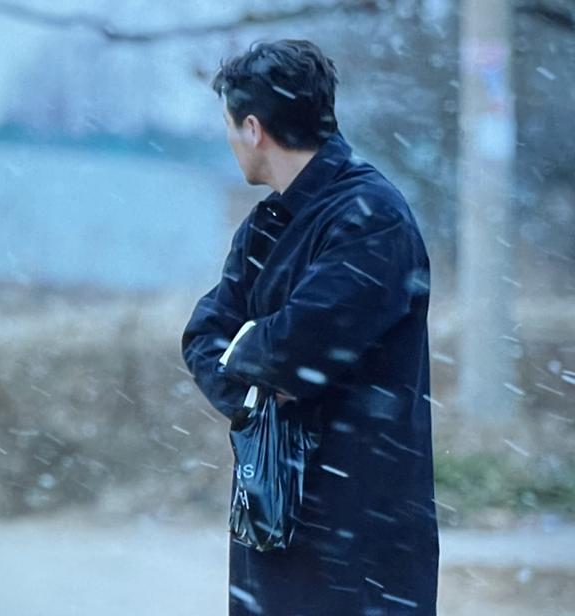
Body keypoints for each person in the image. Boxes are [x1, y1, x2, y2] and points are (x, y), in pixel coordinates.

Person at [181, 40, 438, 615]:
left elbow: (295, 350)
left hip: (361, 536)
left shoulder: (372, 218)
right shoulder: (267, 223)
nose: (230, 142)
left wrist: (254, 357)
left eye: (229, 126)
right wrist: (258, 380)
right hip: (273, 523)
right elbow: (203, 336)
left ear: (253, 129)